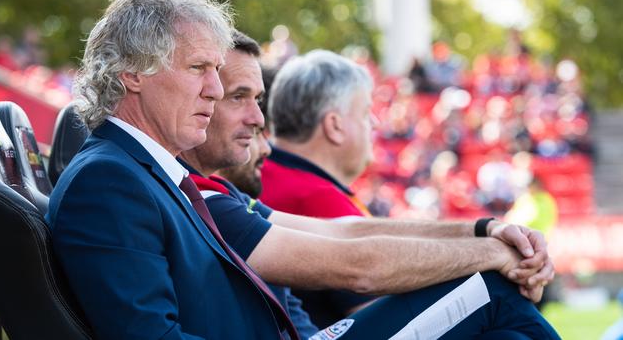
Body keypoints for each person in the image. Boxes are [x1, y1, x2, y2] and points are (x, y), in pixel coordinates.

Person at [179, 33, 560, 339]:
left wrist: (483, 231)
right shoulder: (238, 196)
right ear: (334, 125)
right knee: (492, 292)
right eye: (238, 98)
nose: (258, 119)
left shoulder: (225, 193)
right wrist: (490, 254)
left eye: (258, 100)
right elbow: (364, 270)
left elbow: (351, 233)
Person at [46, 0, 299, 339]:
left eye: (216, 69)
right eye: (198, 67)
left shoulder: (145, 173)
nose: (215, 90)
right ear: (132, 71)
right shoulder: (106, 182)